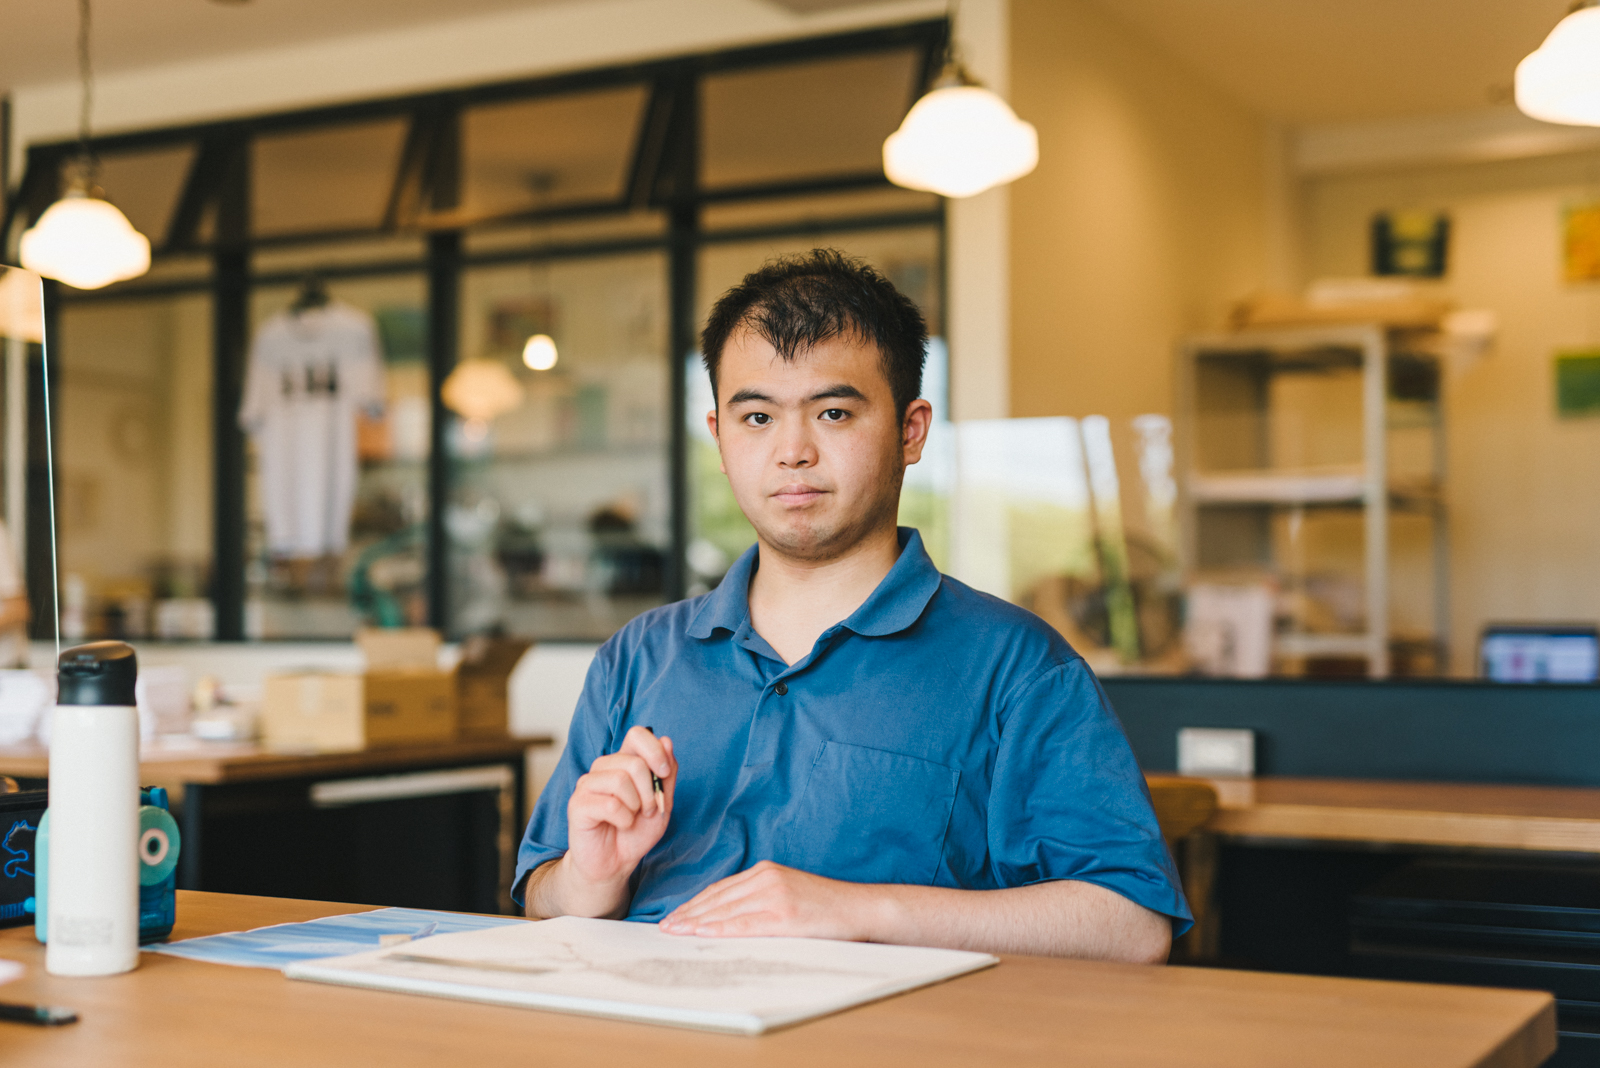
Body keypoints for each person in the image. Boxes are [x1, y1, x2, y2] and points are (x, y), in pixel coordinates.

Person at [513, 249, 1188, 961]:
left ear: (911, 431)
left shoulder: (1016, 665)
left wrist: (861, 910)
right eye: (756, 418)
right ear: (718, 438)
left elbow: (1132, 925)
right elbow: (540, 898)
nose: (792, 451)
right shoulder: (640, 655)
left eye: (833, 412)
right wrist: (591, 880)